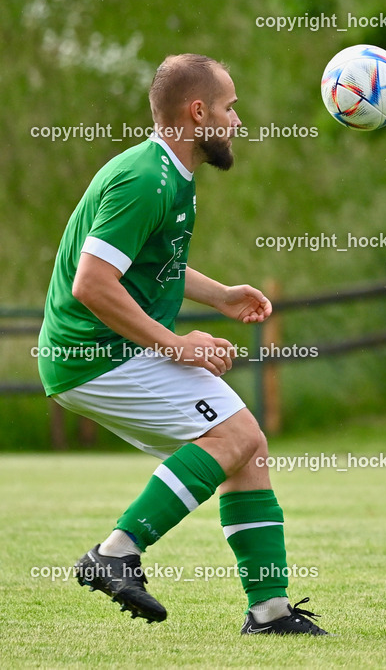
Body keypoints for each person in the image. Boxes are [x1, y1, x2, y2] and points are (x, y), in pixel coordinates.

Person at [38, 53, 328, 636]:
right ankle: (116, 552)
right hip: (92, 355)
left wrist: (218, 295)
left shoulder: (171, 174)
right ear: (198, 113)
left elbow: (152, 264)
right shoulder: (146, 179)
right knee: (236, 435)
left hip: (115, 349)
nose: (237, 122)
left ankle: (269, 611)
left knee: (249, 447)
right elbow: (92, 284)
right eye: (230, 108)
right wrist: (176, 343)